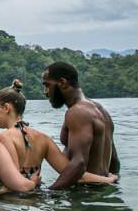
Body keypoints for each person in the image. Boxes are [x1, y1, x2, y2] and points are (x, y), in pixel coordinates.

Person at [0, 79, 118, 186]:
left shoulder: (3, 137)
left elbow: (13, 183)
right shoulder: (43, 138)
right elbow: (75, 174)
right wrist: (108, 179)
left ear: (6, 108)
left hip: (14, 204)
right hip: (37, 203)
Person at [42, 62, 120, 190]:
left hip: (84, 194)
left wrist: (50, 192)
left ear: (62, 82)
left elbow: (79, 163)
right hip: (99, 191)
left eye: (47, 85)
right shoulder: (102, 111)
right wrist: (110, 181)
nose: (45, 92)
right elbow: (114, 161)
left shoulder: (77, 112)